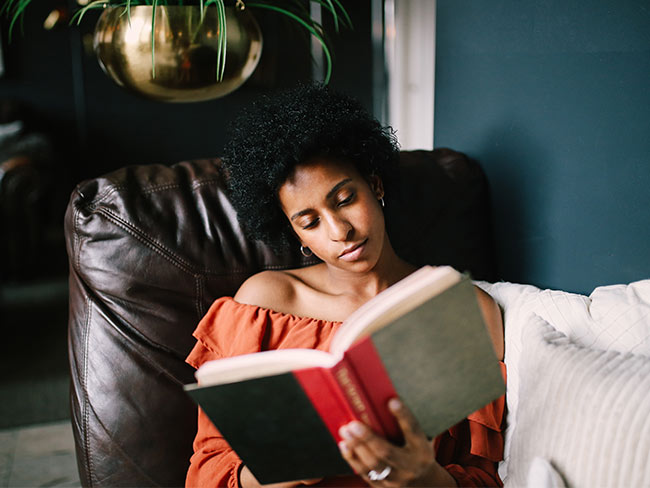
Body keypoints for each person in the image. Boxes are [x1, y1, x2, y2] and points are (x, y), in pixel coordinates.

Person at [185, 84, 505, 487]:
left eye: (345, 199)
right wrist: (284, 474)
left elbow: (485, 477)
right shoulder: (263, 304)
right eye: (310, 221)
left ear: (376, 186)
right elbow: (208, 470)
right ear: (296, 235)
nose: (341, 232)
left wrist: (424, 477)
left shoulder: (465, 309)